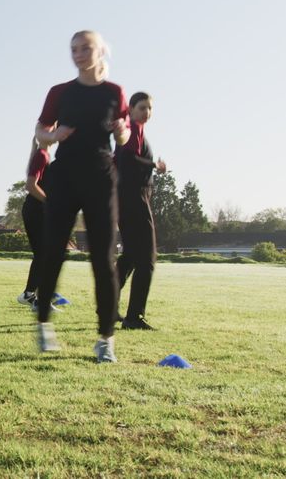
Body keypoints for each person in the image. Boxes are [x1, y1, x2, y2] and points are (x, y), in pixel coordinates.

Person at [34, 30, 130, 363]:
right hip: (64, 175)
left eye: (85, 48)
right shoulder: (59, 92)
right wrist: (53, 135)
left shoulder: (115, 92)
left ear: (100, 51)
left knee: (103, 259)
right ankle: (44, 324)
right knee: (52, 252)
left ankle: (106, 338)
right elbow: (40, 133)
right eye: (73, 49)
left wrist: (121, 131)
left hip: (101, 176)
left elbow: (125, 130)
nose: (78, 53)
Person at [115, 92, 167, 330]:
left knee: (130, 258)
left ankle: (107, 305)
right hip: (133, 199)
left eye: (150, 108)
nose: (147, 112)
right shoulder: (131, 130)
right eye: (142, 107)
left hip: (130, 199)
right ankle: (134, 317)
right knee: (147, 259)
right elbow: (128, 160)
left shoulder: (135, 130)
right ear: (131, 109)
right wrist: (154, 165)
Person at [17, 137, 52, 311]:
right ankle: (31, 295)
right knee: (44, 254)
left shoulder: (41, 154)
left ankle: (36, 296)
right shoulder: (42, 155)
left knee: (45, 254)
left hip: (36, 210)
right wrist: (51, 203)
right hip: (36, 210)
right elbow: (30, 185)